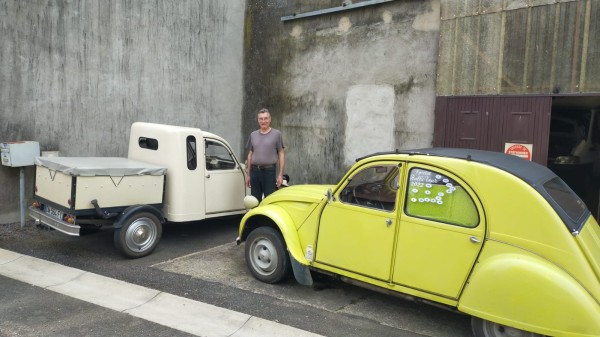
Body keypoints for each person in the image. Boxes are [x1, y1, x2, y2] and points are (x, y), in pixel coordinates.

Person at [245, 108, 285, 201]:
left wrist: (280, 175)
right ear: (258, 120)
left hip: (269, 172)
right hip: (255, 172)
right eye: (261, 119)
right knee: (254, 201)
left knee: (269, 200)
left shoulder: (276, 134)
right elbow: (250, 155)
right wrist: (248, 175)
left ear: (270, 119)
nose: (263, 121)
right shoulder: (253, 135)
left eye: (266, 118)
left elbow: (281, 154)